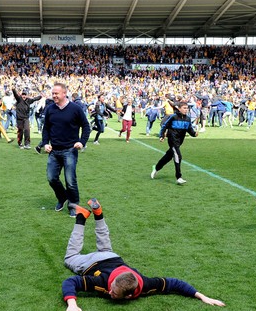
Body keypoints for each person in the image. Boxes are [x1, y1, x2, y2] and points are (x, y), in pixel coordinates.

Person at [62, 199, 226, 310]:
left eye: (114, 293)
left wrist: (200, 296)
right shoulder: (104, 281)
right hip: (95, 262)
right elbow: (71, 282)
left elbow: (175, 284)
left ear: (130, 295)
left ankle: (98, 214)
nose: (110, 293)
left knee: (105, 248)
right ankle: (81, 217)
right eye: (112, 290)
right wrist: (72, 304)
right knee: (70, 258)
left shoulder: (144, 285)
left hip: (114, 257)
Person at [41, 83, 91, 217]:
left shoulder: (75, 109)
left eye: (56, 93)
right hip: (54, 151)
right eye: (53, 93)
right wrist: (45, 143)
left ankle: (73, 205)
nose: (54, 96)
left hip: (70, 150)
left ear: (64, 93)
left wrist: (82, 142)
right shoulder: (50, 109)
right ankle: (62, 198)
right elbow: (46, 128)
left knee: (70, 181)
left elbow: (86, 126)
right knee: (51, 178)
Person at [151, 101, 198, 185]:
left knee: (168, 156)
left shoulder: (187, 119)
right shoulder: (173, 117)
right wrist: (161, 135)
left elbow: (190, 130)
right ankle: (178, 177)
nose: (186, 110)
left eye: (187, 108)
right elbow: (164, 126)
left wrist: (194, 134)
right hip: (172, 140)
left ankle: (156, 168)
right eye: (184, 108)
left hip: (179, 142)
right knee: (178, 156)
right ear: (179, 109)